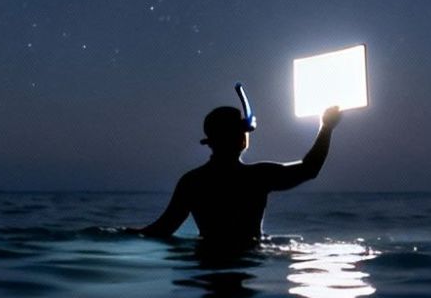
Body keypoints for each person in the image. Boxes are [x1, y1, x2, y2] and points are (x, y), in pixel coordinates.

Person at [138, 101, 343, 244]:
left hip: (207, 259)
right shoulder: (257, 177)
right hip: (248, 255)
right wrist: (326, 127)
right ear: (241, 138)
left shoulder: (192, 182)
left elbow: (161, 230)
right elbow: (310, 169)